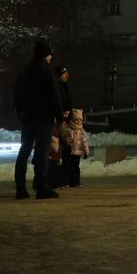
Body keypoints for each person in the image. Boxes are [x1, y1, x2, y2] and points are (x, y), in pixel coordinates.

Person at [13, 38, 64, 200]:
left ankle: (20, 188)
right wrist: (59, 116)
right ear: (46, 54)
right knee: (42, 152)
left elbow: (16, 95)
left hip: (28, 117)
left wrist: (21, 113)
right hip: (44, 117)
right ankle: (41, 187)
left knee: (24, 150)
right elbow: (54, 95)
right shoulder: (47, 70)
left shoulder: (24, 70)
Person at [59, 108, 91, 187]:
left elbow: (84, 141)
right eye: (77, 120)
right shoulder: (67, 128)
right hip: (68, 151)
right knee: (67, 166)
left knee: (75, 167)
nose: (79, 122)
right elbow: (64, 137)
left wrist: (86, 151)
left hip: (77, 152)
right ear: (72, 119)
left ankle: (76, 181)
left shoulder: (81, 130)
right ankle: (66, 181)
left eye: (80, 120)